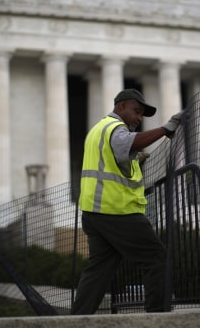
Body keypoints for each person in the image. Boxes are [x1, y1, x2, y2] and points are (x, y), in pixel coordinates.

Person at [71, 88, 184, 314]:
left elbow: (117, 162)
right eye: (136, 111)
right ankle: (158, 318)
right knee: (156, 258)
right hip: (117, 212)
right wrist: (165, 128)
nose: (138, 118)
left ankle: (76, 320)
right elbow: (128, 143)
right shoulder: (115, 128)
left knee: (100, 269)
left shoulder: (98, 129)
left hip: (94, 212)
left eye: (141, 114)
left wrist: (137, 163)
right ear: (121, 106)